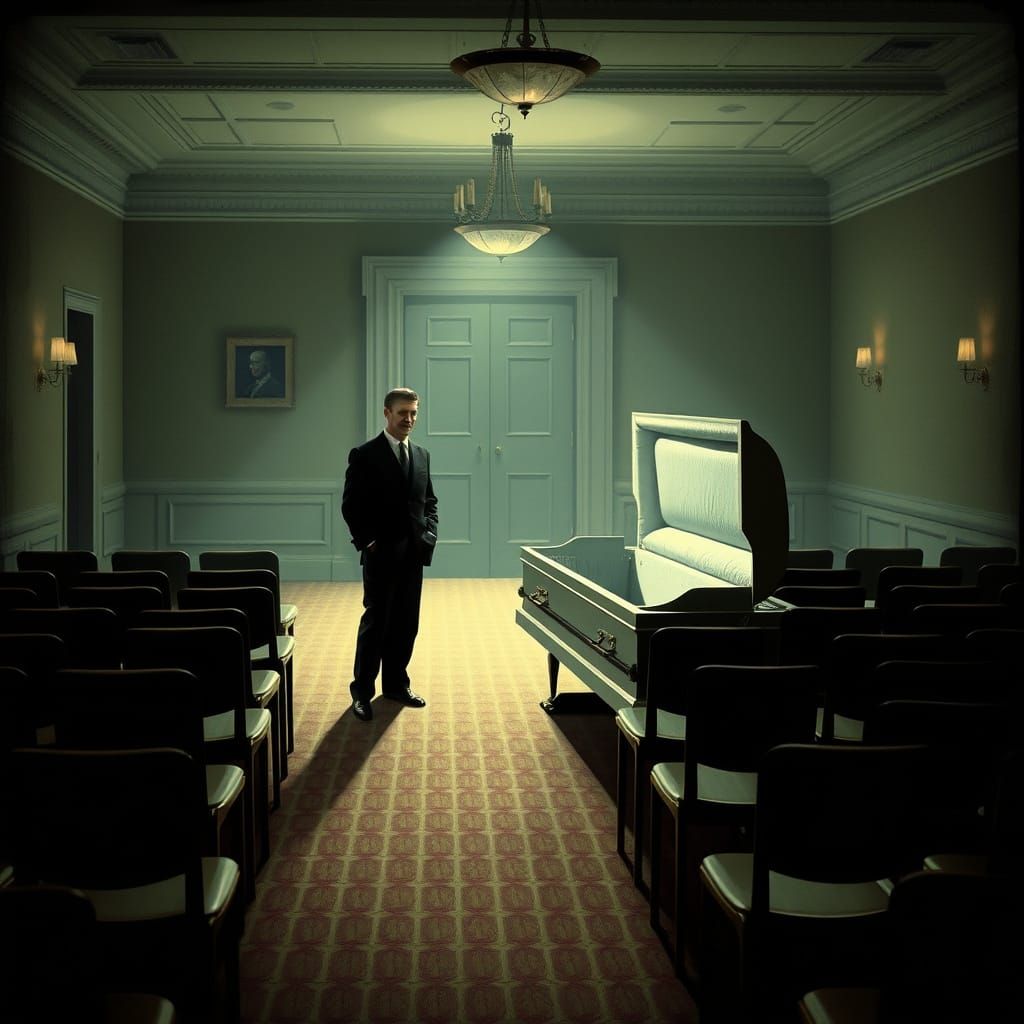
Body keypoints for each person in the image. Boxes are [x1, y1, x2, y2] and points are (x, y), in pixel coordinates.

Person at [341, 387, 438, 721]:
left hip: (413, 554)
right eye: (402, 413)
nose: (409, 419)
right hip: (380, 554)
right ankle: (362, 694)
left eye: (413, 413)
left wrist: (430, 534)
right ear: (387, 413)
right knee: (376, 623)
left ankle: (396, 685)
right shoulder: (365, 454)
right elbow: (351, 506)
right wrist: (367, 543)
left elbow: (429, 501)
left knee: (406, 622)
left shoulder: (422, 455)